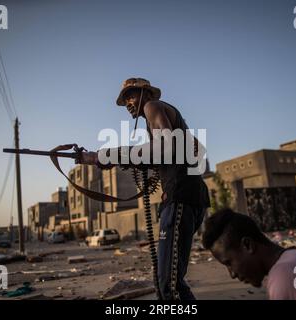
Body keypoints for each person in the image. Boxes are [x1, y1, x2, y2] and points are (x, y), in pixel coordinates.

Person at [79, 78, 210, 300]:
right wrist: (104, 158)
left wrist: (106, 154)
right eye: (125, 99)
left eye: (131, 96)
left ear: (145, 93)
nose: (128, 103)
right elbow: (161, 154)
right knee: (166, 281)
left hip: (181, 197)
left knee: (169, 283)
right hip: (186, 197)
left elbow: (165, 147)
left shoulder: (152, 107)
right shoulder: (158, 117)